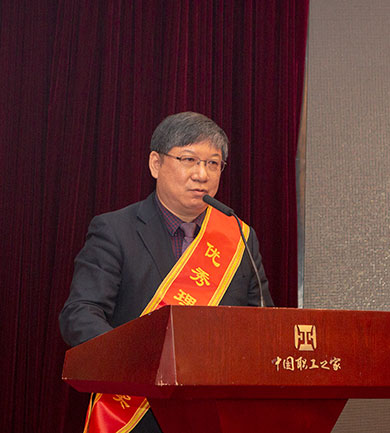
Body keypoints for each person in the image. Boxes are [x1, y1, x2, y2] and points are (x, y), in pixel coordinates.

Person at [59, 111, 273, 433]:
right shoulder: (115, 230)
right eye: (189, 159)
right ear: (156, 164)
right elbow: (80, 314)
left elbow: (263, 325)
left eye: (213, 163)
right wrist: (137, 364)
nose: (202, 174)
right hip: (137, 413)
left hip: (218, 415)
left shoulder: (240, 236)